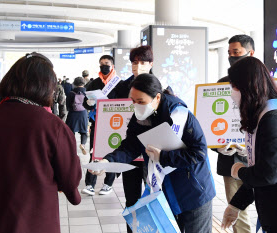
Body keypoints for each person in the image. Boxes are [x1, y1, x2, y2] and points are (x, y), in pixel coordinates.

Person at [0, 52, 82, 233]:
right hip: (32, 220)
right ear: (46, 86)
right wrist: (73, 193)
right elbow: (70, 179)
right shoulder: (54, 127)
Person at [90, 74, 216, 233]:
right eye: (133, 101)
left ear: (157, 98)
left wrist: (162, 157)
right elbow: (130, 147)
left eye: (141, 102)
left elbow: (199, 153)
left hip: (194, 191)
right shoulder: (140, 118)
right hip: (165, 193)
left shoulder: (180, 115)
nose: (136, 106)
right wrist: (108, 162)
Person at [221, 57, 277, 233]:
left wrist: (239, 171)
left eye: (235, 86)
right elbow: (260, 169)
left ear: (249, 87)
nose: (232, 92)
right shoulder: (263, 114)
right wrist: (236, 205)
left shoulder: (271, 119)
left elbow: (267, 174)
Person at [215, 34, 255, 233]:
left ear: (250, 53)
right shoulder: (221, 84)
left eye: (236, 53)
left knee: (266, 208)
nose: (231, 57)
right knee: (237, 213)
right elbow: (213, 123)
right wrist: (218, 146)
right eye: (229, 53)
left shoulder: (263, 84)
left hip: (260, 160)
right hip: (230, 161)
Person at [113, 45, 154, 233]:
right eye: (135, 62)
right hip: (129, 152)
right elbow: (110, 115)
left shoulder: (160, 86)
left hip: (153, 153)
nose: (138, 66)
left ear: (151, 64)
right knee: (131, 199)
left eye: (143, 62)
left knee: (153, 197)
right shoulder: (122, 87)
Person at [81, 55, 120, 196]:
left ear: (112, 65)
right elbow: (85, 101)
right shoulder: (94, 83)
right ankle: (90, 184)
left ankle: (108, 184)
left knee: (112, 153)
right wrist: (88, 103)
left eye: (107, 63)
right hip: (98, 122)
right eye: (101, 64)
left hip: (115, 124)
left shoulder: (119, 83)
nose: (104, 66)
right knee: (94, 152)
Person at [66, 77, 89, 155]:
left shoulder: (71, 93)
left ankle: (71, 147)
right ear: (84, 83)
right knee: (84, 131)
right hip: (83, 113)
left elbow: (68, 105)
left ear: (75, 83)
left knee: (70, 131)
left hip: (73, 114)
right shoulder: (87, 93)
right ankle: (82, 144)